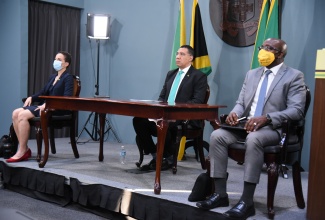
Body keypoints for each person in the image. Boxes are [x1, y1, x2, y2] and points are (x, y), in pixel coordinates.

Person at [195, 38, 306, 219]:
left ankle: (247, 201)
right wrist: (234, 114)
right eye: (263, 47)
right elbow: (241, 103)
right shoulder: (252, 74)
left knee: (254, 138)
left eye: (270, 48)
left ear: (281, 54)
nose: (264, 51)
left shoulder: (294, 76)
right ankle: (220, 194)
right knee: (217, 136)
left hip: (273, 129)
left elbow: (297, 110)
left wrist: (268, 118)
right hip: (244, 126)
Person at [133, 45, 208, 171]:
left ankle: (165, 158)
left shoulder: (198, 76)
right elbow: (162, 97)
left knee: (166, 123)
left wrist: (174, 110)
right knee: (138, 120)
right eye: (177, 53)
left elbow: (197, 101)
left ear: (191, 57)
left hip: (183, 117)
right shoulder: (171, 74)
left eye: (182, 54)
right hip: (164, 114)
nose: (178, 56)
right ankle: (157, 156)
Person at [7, 51, 74, 163]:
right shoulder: (52, 77)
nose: (55, 61)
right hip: (45, 107)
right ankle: (24, 148)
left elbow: (66, 98)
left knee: (22, 115)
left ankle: (22, 151)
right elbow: (43, 92)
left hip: (56, 109)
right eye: (55, 59)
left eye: (59, 60)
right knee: (15, 113)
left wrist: (47, 104)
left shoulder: (68, 78)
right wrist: (32, 98)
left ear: (66, 64)